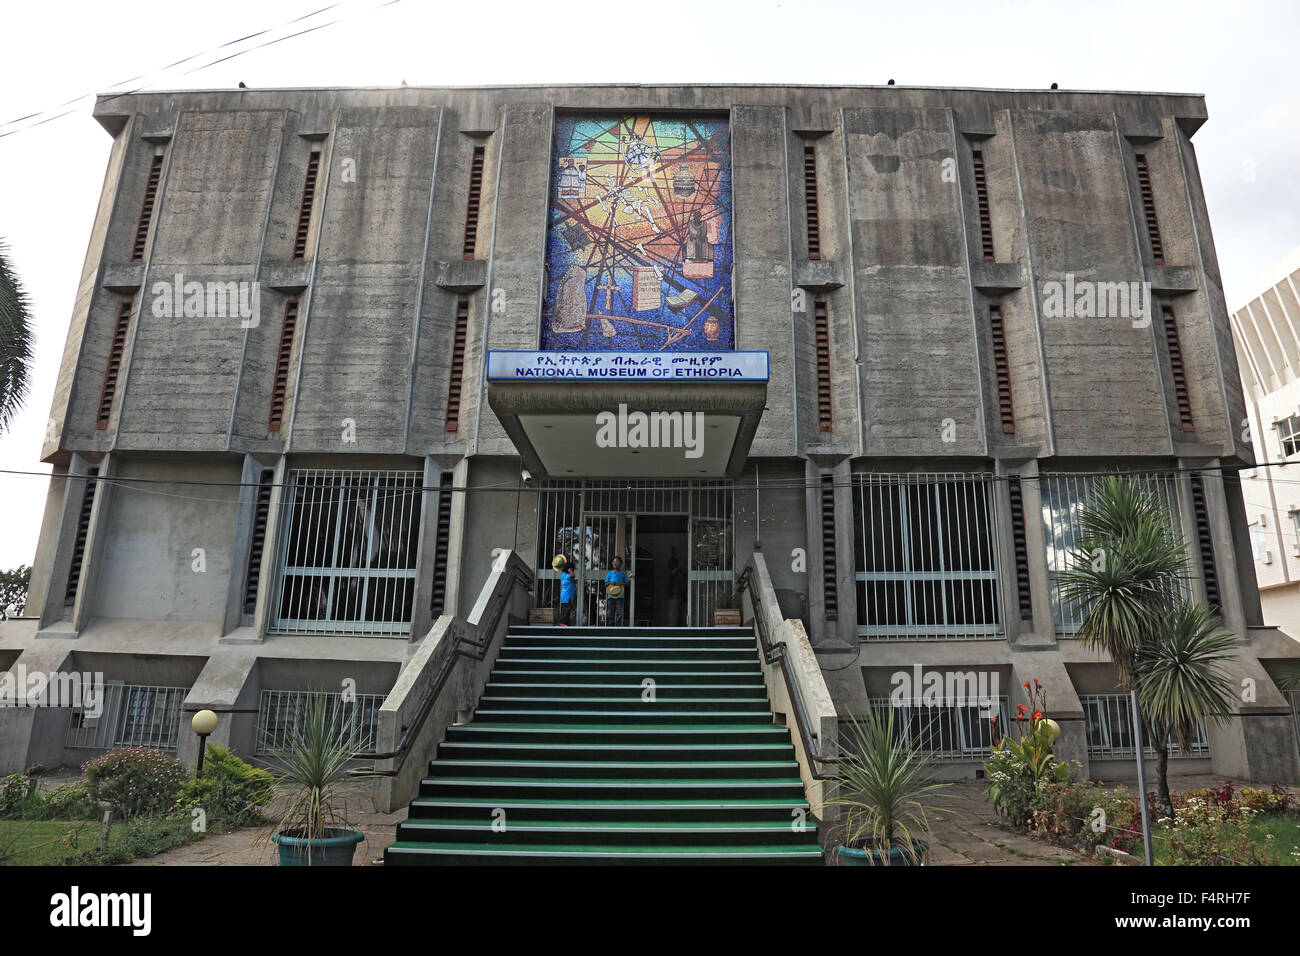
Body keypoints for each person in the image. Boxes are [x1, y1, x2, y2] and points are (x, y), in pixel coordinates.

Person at [604, 555, 630, 627]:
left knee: (619, 612)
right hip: (611, 596)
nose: (615, 563)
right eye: (613, 562)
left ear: (620, 564)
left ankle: (618, 627)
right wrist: (610, 583)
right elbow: (605, 584)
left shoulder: (623, 573)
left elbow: (627, 583)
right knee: (610, 612)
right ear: (612, 563)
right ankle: (610, 626)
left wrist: (620, 583)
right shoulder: (610, 573)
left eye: (617, 561)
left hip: (620, 596)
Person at [558, 562, 575, 626]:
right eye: (572, 569)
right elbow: (573, 575)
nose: (573, 571)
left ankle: (566, 623)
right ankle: (561, 622)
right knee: (566, 610)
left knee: (566, 610)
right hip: (567, 596)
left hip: (566, 596)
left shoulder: (563, 575)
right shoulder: (567, 575)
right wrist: (570, 570)